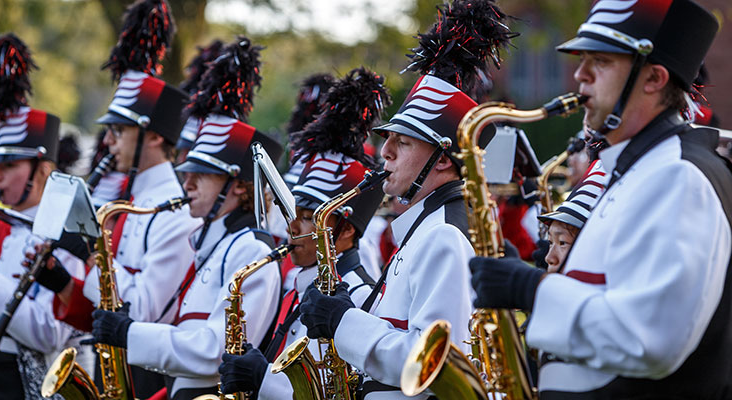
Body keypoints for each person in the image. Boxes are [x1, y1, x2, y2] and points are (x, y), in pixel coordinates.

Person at [469, 1, 732, 398]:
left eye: (601, 62)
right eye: (582, 60)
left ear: (654, 79)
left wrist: (531, 289)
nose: (580, 75)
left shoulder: (677, 175)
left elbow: (650, 341)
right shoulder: (636, 170)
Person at [297, 1, 515, 398]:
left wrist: (343, 322)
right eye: (388, 140)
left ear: (445, 159)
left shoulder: (444, 237)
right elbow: (397, 330)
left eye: (404, 142)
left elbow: (434, 364)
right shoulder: (423, 230)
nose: (386, 153)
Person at [87, 37, 282, 400]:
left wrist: (129, 334)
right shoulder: (215, 244)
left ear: (239, 187)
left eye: (202, 174)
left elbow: (212, 353)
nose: (186, 181)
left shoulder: (251, 251)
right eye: (187, 170)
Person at [29, 1, 199, 396]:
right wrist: (64, 285)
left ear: (154, 136)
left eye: (118, 131)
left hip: (149, 379)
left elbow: (141, 312)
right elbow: (106, 309)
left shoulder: (173, 211)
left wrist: (92, 256)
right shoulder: (130, 201)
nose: (107, 142)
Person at [218, 67, 388, 399]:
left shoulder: (360, 297)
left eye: (308, 217)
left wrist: (261, 377)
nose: (291, 226)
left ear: (345, 231)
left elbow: (333, 393)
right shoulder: (298, 284)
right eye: (294, 212)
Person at [0, 33, 88, 400]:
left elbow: (50, 333)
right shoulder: (1, 227)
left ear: (43, 170)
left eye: (10, 166)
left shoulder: (66, 234)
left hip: (24, 382)